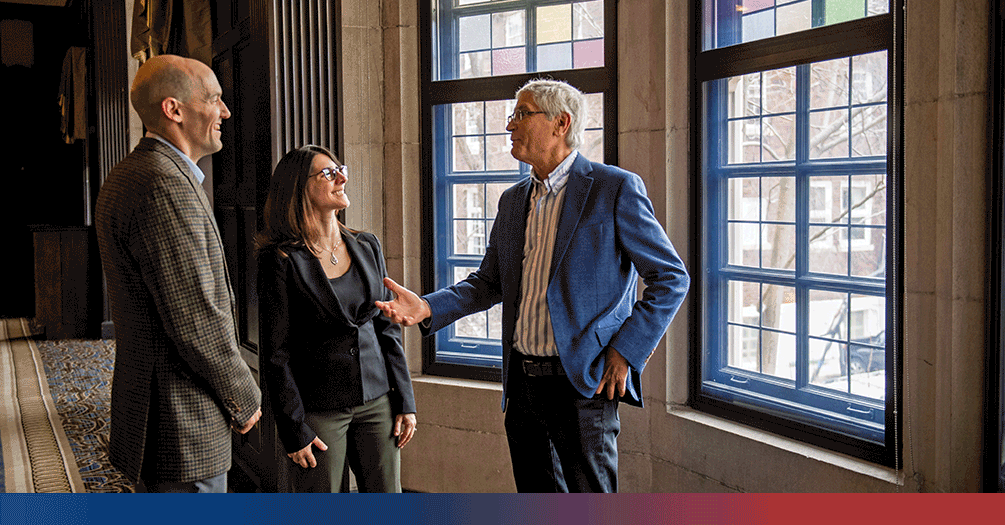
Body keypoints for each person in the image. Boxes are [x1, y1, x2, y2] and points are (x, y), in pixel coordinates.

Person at [377, 79, 690, 493]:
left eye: (522, 114)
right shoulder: (512, 200)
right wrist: (428, 308)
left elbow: (670, 277)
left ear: (561, 123)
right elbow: (487, 283)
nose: (510, 125)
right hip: (522, 385)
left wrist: (625, 352)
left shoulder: (613, 188)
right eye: (513, 116)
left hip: (583, 383)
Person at [95, 54, 262, 493]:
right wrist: (245, 395)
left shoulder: (140, 172)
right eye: (214, 99)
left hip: (161, 406)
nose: (225, 112)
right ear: (174, 110)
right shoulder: (161, 183)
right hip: (180, 417)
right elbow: (195, 318)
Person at [257, 145, 417, 493]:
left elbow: (386, 328)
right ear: (300, 186)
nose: (342, 177)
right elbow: (276, 353)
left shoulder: (366, 245)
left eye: (339, 169)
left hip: (378, 401)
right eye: (328, 173)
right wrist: (293, 427)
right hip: (319, 410)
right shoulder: (280, 259)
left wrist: (405, 400)